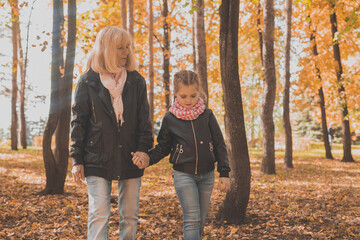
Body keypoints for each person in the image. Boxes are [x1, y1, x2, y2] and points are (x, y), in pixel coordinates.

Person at [70, 26, 153, 240]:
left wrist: (144, 149)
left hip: (131, 157)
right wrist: (76, 159)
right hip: (96, 157)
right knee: (99, 214)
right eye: (120, 48)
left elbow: (144, 121)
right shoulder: (87, 81)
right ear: (106, 49)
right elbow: (78, 122)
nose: (126, 52)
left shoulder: (136, 81)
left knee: (129, 215)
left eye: (127, 47)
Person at [133, 70, 231, 240]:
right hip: (184, 175)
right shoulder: (170, 118)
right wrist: (148, 159)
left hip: (207, 175)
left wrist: (224, 173)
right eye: (183, 96)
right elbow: (163, 147)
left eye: (193, 96)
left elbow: (219, 145)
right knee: (192, 220)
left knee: (200, 221)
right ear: (175, 94)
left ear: (199, 93)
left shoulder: (207, 115)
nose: (188, 100)